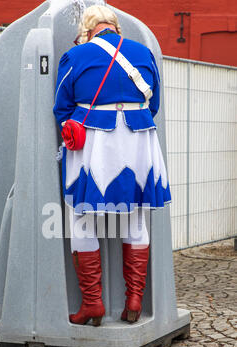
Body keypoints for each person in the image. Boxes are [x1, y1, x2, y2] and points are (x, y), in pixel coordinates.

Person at [53, 5, 171, 327]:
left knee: (81, 218)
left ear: (87, 30)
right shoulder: (143, 53)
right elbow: (154, 103)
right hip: (138, 137)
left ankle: (92, 304)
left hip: (95, 141)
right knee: (134, 215)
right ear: (115, 27)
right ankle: (134, 297)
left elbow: (61, 107)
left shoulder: (75, 56)